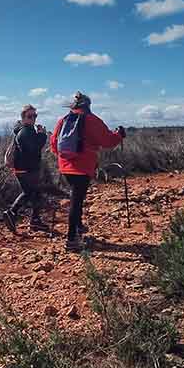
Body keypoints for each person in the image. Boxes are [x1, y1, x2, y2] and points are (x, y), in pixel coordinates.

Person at [50, 92, 124, 252]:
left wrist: (66, 158)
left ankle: (77, 228)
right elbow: (107, 141)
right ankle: (71, 240)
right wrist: (119, 135)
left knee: (77, 198)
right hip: (83, 168)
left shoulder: (62, 121)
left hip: (65, 167)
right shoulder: (92, 120)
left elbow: (54, 144)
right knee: (76, 201)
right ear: (88, 105)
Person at [3, 104, 48, 233]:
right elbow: (33, 149)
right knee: (29, 192)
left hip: (26, 168)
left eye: (35, 115)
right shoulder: (25, 131)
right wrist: (42, 135)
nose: (33, 118)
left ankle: (35, 220)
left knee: (35, 193)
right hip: (25, 169)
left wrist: (38, 134)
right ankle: (12, 212)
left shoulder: (27, 129)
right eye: (30, 116)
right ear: (23, 117)